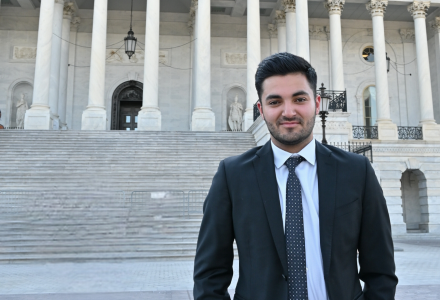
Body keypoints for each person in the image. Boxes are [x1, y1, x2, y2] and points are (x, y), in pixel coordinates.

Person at [193, 53, 397, 300]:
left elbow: (381, 270)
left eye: (299, 99)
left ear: (317, 103)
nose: (288, 112)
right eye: (275, 102)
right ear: (261, 109)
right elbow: (209, 274)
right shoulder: (232, 176)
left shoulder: (357, 171)